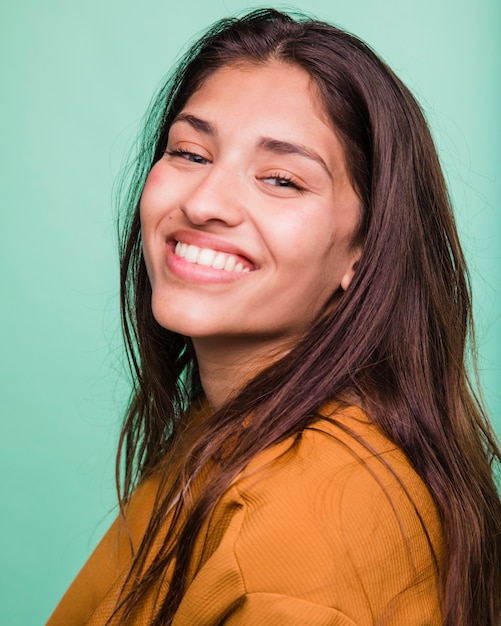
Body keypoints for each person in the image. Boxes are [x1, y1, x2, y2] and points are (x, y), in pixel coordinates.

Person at [47, 8, 501, 626]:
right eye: (190, 152)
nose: (203, 202)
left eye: (282, 180)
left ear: (365, 247)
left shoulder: (313, 525)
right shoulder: (231, 436)